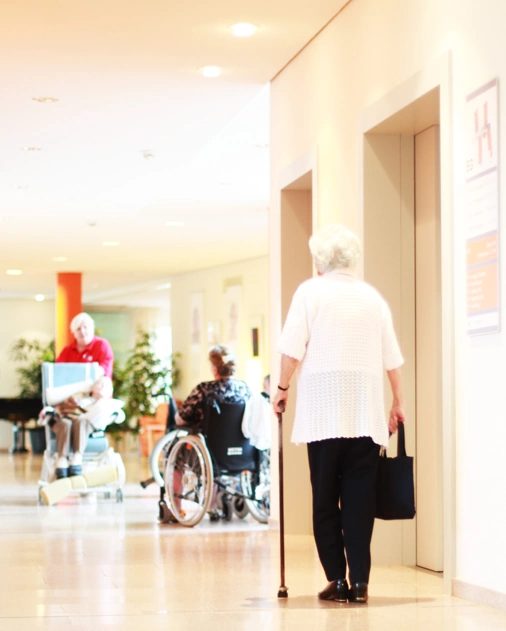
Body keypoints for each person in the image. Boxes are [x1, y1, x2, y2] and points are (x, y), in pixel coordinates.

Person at [272, 224, 405, 605]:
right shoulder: (371, 298)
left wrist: (281, 390)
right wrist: (398, 402)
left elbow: (291, 349)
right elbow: (391, 358)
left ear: (320, 261)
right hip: (365, 416)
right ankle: (361, 582)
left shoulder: (310, 293)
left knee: (325, 498)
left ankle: (337, 580)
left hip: (324, 417)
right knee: (360, 501)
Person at [41, 376, 123, 478]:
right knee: (66, 423)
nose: (103, 387)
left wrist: (103, 401)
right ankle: (62, 459)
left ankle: (77, 456)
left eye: (107, 386)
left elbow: (120, 416)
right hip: (65, 421)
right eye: (100, 384)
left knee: (82, 421)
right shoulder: (78, 397)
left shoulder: (108, 404)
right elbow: (61, 407)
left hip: (86, 427)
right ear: (92, 387)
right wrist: (48, 410)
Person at [175, 345, 251, 428]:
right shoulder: (244, 389)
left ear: (215, 369)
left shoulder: (203, 389)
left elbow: (181, 419)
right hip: (239, 440)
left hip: (209, 439)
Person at [56, 312, 114, 378]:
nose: (82, 331)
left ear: (92, 328)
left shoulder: (102, 345)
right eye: (78, 329)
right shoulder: (67, 351)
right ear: (73, 332)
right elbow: (58, 371)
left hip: (95, 385)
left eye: (85, 327)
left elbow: (104, 371)